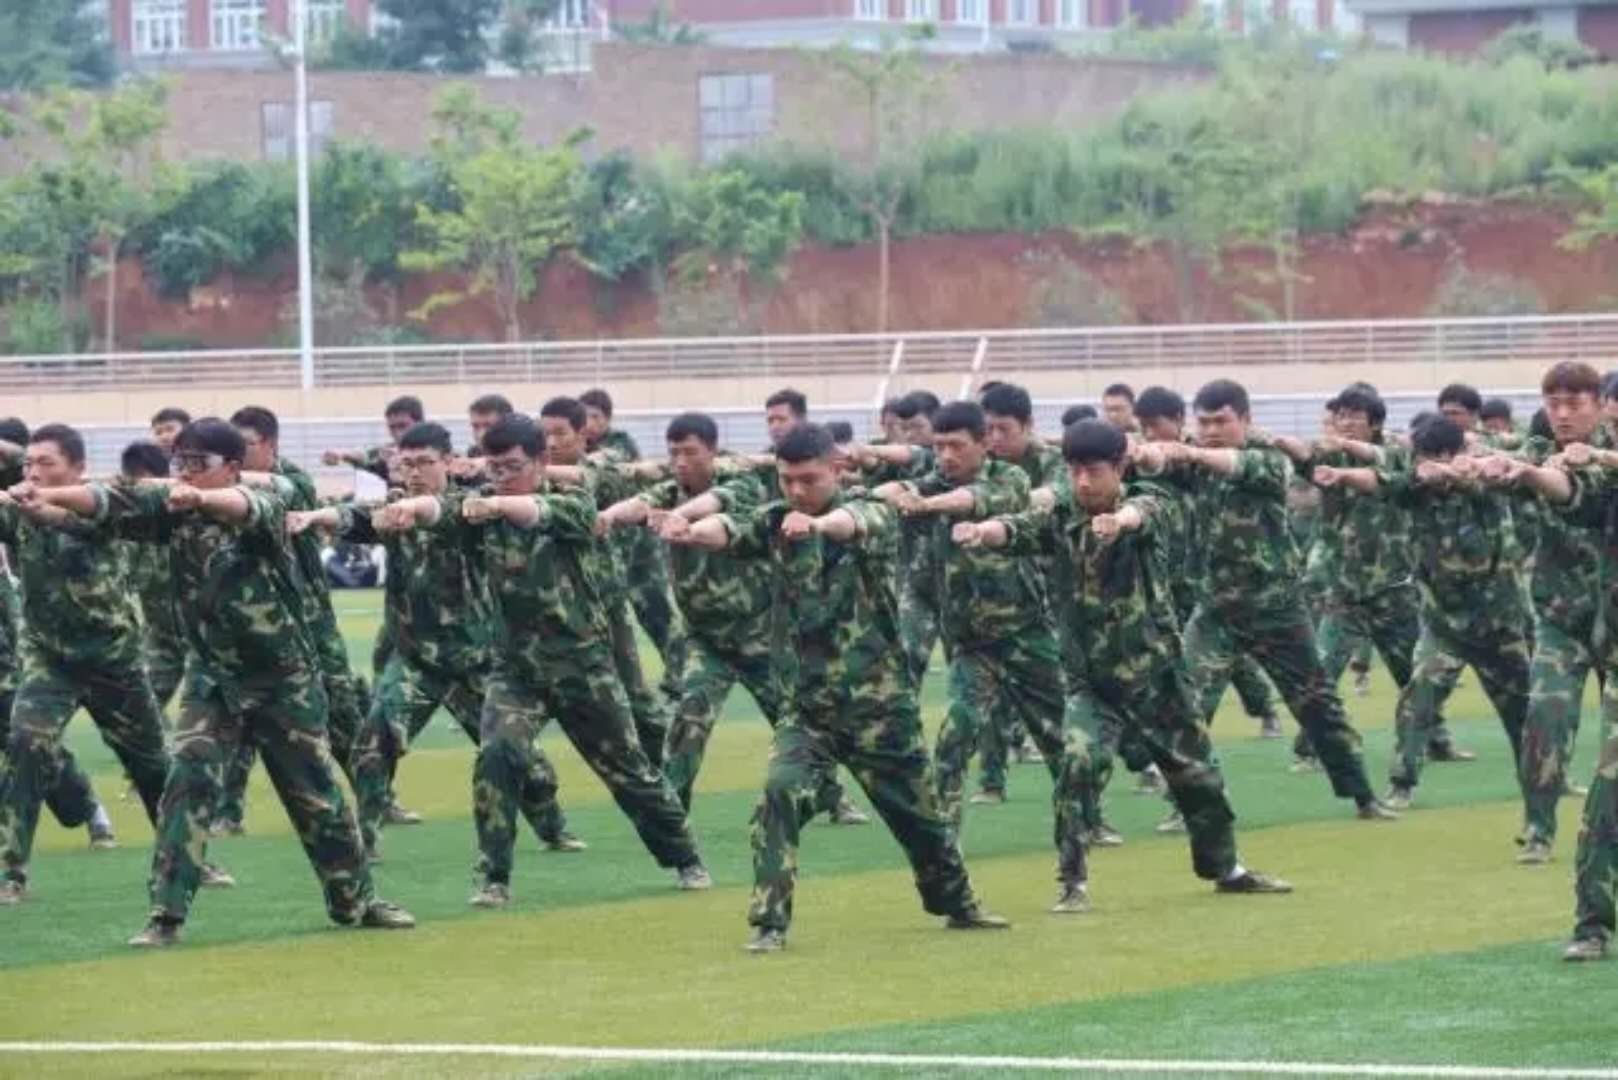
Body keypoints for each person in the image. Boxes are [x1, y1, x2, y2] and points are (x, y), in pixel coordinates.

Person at [21, 418, 414, 944]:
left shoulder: (267, 501)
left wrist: (200, 497)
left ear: (231, 466)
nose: (185, 473)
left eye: (197, 464)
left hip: (282, 678)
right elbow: (107, 500)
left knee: (315, 795)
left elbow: (244, 506)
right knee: (186, 782)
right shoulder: (173, 509)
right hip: (214, 678)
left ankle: (356, 902)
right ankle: (166, 915)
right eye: (179, 463)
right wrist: (44, 497)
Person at [664, 422, 1008, 953]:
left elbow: (852, 523)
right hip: (808, 709)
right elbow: (733, 529)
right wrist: (689, 530)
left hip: (879, 707)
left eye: (809, 479)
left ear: (837, 470)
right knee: (779, 794)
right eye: (787, 480)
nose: (797, 491)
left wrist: (817, 525)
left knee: (920, 820)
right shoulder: (777, 519)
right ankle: (769, 923)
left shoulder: (871, 511)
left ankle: (958, 903)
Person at [965, 420, 1293, 907]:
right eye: (1075, 471)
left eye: (1094, 471)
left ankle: (1226, 868)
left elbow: (1143, 515)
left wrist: (1118, 523)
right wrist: (983, 531)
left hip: (1156, 675)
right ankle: (1072, 882)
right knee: (1078, 764)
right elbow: (1017, 527)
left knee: (1198, 777)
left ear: (1119, 467)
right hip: (1092, 682)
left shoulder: (1152, 501)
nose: (1083, 482)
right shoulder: (1062, 517)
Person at [287, 421, 583, 862]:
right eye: (406, 463)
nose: (414, 472)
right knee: (374, 745)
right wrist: (316, 517)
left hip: (477, 660)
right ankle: (362, 841)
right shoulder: (392, 509)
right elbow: (354, 517)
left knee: (522, 762)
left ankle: (552, 827)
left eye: (424, 462)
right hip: (416, 661)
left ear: (447, 462)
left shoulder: (472, 509)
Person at [454, 414, 709, 908]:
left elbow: (539, 513)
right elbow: (439, 510)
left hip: (582, 666)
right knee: (497, 756)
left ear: (541, 462)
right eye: (494, 467)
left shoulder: (573, 502)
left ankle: (685, 857)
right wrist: (408, 510)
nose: (501, 477)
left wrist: (497, 502)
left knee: (628, 771)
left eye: (512, 467)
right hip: (517, 670)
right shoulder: (481, 508)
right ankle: (493, 877)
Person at [872, 401, 1093, 900]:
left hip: (1028, 640)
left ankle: (1074, 871)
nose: (946, 456)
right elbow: (899, 490)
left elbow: (974, 500)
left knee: (1066, 751)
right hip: (972, 647)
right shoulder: (932, 482)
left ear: (982, 443)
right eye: (939, 447)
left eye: (956, 446)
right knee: (953, 741)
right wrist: (873, 495)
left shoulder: (1010, 479)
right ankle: (946, 868)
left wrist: (927, 505)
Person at [1143, 379, 1394, 821]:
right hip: (1215, 610)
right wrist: (1145, 452)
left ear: (1245, 419)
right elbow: (1158, 464)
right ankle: (1190, 805)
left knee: (1318, 706)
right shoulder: (1191, 459)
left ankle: (1363, 796)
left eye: (1221, 421)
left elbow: (1238, 465)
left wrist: (1190, 453)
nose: (1211, 431)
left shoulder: (1266, 457)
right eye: (1204, 423)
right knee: (1186, 706)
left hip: (1275, 608)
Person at [598, 412, 865, 823]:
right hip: (706, 638)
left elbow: (716, 506)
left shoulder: (741, 483)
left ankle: (832, 796)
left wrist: (683, 519)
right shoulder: (669, 491)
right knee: (688, 719)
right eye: (674, 453)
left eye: (690, 452)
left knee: (791, 719)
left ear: (712, 450)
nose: (681, 461)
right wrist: (608, 517)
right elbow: (638, 504)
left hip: (759, 634)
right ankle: (671, 814)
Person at [1314, 417, 1529, 810]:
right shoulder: (1415, 490)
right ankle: (1402, 784)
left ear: (1455, 452)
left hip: (1497, 623)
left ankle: (1544, 781)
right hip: (1444, 624)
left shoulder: (1486, 483)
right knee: (1417, 702)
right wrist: (1341, 474)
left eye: (1435, 455)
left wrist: (1450, 471)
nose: (1426, 463)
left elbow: (1487, 479)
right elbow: (1381, 480)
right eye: (1422, 456)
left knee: (1523, 712)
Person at [0, 426, 148, 906]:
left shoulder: (104, 503)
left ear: (78, 468)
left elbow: (76, 517)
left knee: (153, 766)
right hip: (50, 659)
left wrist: (38, 504)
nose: (34, 472)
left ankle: (192, 858)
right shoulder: (17, 510)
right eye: (29, 465)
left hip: (113, 660)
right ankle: (11, 873)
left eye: (46, 463)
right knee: (26, 743)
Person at [540, 397, 671, 768]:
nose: (550, 443)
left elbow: (588, 475)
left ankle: (664, 771)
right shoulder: (533, 479)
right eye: (544, 434)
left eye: (560, 433)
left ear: (583, 434)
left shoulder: (607, 463)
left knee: (635, 696)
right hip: (555, 609)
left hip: (603, 601)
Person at [580, 388, 688, 705]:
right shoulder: (578, 448)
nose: (589, 424)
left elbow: (601, 465)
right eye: (584, 417)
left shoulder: (620, 444)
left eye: (595, 417)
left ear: (607, 419)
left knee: (657, 614)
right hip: (606, 551)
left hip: (639, 550)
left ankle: (680, 677)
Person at [121, 441, 186, 713]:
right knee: (142, 712)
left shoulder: (188, 510)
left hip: (205, 637)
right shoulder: (129, 522)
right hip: (162, 636)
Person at [322, 395, 425, 484]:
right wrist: (341, 455)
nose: (397, 433)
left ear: (420, 423)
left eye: (403, 426)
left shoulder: (431, 449)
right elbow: (365, 457)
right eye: (392, 427)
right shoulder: (388, 453)